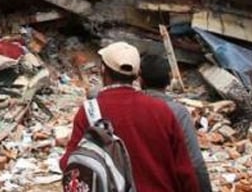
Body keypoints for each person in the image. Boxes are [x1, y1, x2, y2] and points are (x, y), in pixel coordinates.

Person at [60, 41, 199, 192]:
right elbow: (185, 171)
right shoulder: (162, 111)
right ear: (137, 76)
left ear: (103, 71)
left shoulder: (89, 112)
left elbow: (69, 162)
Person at [139, 52, 213, 192]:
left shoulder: (130, 108)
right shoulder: (178, 112)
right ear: (169, 80)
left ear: (140, 79)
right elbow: (195, 163)